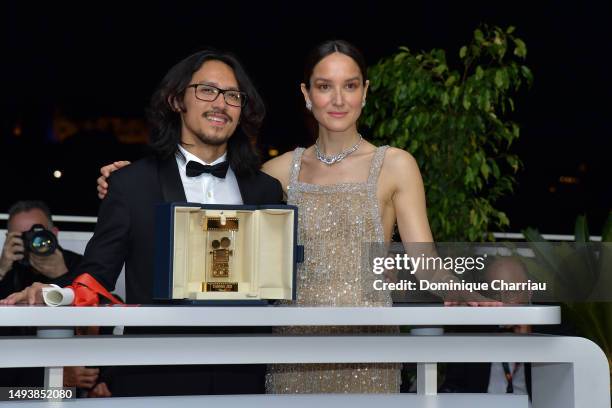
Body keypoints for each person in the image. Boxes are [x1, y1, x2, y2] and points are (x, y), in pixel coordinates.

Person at [93, 40, 499, 393]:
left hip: (368, 346)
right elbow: (204, 212)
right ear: (307, 94)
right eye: (325, 86)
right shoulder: (273, 175)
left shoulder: (395, 165)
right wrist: (128, 179)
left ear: (365, 92)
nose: (338, 100)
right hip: (288, 345)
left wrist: (470, 295)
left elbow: (423, 261)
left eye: (350, 86)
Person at [2, 49, 283, 396]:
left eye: (233, 95)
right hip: (155, 373)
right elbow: (97, 273)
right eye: (207, 90)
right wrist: (56, 294)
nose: (221, 103)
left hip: (245, 375)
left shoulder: (266, 189)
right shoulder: (131, 184)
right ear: (177, 100)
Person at [0, 201, 108, 396]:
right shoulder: (7, 272)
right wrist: (2, 271)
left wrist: (62, 276)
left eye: (39, 233)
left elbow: (98, 322)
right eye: (24, 237)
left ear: (55, 233)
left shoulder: (78, 265)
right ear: (9, 239)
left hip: (74, 369)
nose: (34, 242)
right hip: (17, 381)